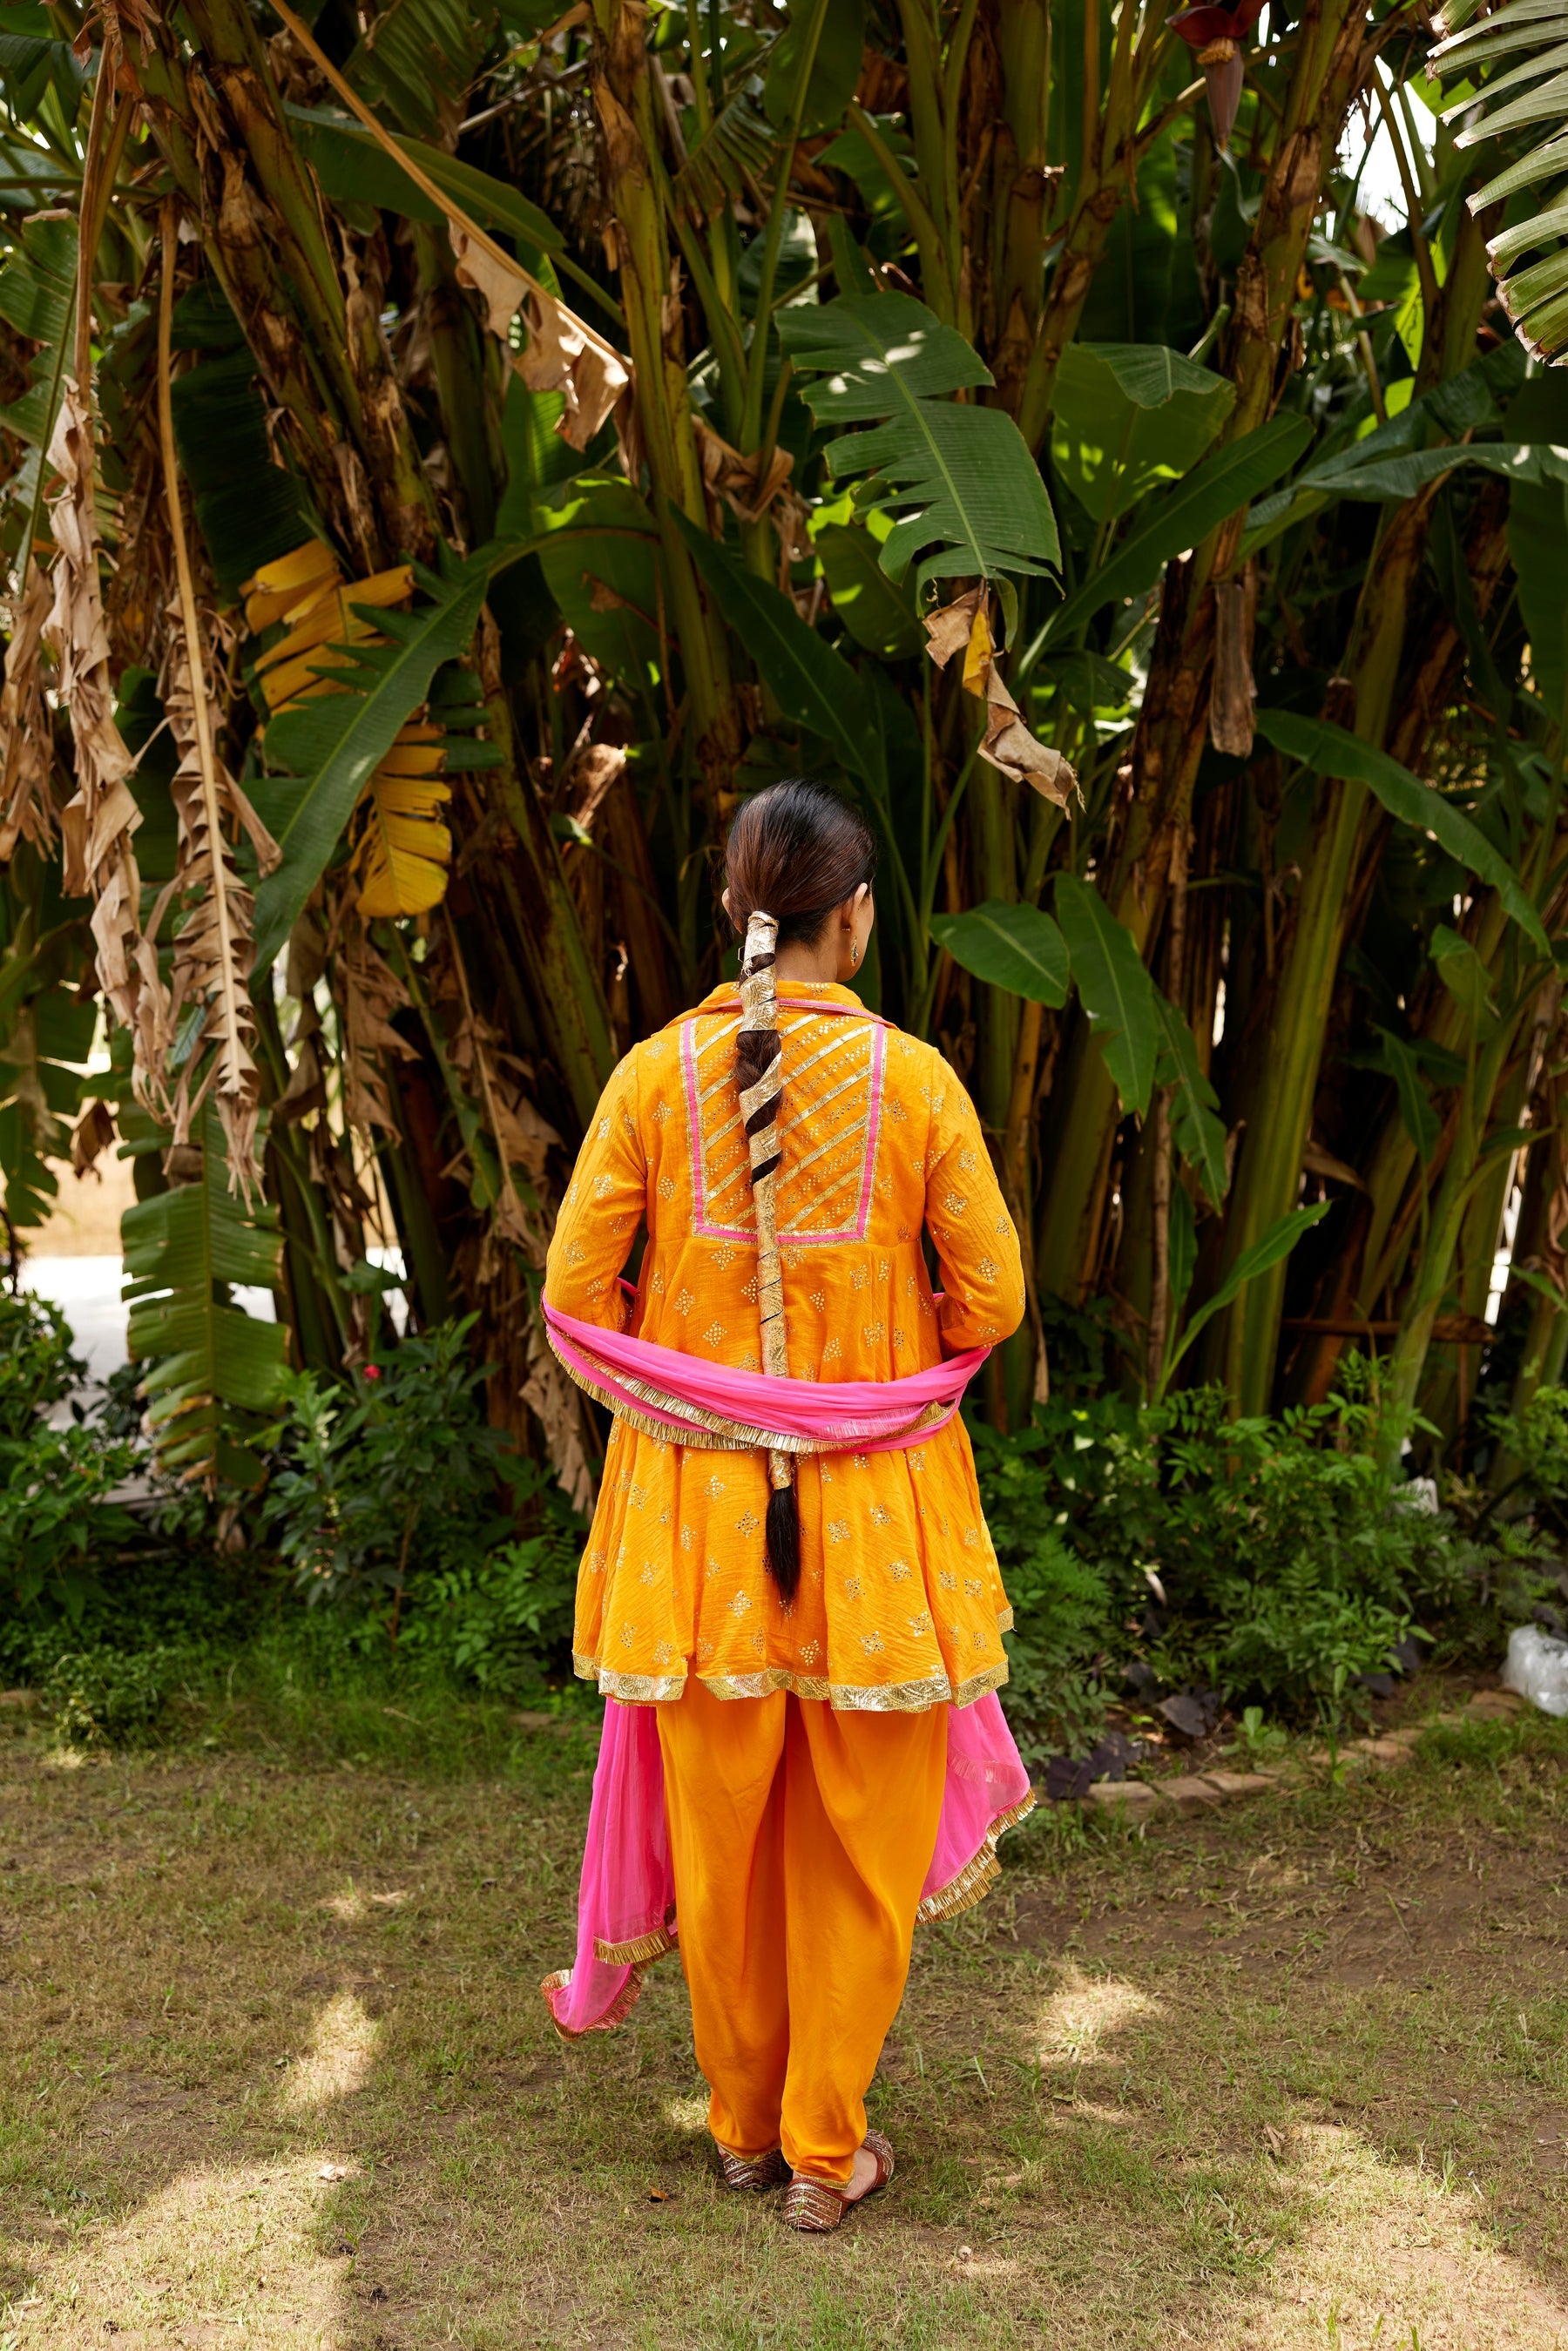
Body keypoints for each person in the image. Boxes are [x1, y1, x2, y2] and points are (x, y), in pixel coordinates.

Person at [539, 779, 1031, 2231]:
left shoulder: (651, 1078)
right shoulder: (919, 1083)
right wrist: (871, 1371)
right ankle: (826, 2151)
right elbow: (993, 1294)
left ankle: (745, 2132)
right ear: (855, 919)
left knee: (725, 1839)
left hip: (694, 1528)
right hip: (876, 1519)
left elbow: (574, 1294)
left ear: (736, 915)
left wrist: (707, 1379)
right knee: (859, 1851)